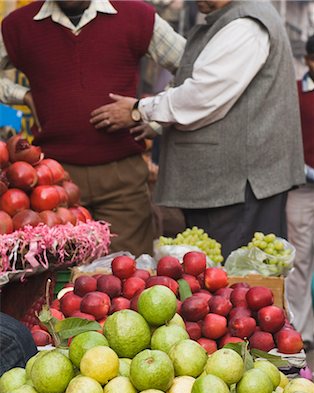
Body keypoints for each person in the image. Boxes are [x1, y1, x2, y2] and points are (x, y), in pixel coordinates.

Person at [94, 0, 305, 260]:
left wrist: (140, 109)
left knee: (234, 281)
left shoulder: (246, 24)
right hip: (227, 187)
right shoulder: (232, 19)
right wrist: (160, 124)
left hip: (237, 188)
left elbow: (202, 95)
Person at [0, 0, 186, 257]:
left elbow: (191, 68)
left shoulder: (137, 16)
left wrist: (150, 114)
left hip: (122, 179)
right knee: (55, 279)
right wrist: (23, 95)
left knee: (128, 275)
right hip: (51, 183)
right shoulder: (19, 25)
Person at [285, 35, 314, 349]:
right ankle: (303, 334)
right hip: (303, 188)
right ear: (308, 59)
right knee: (300, 261)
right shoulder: (293, 93)